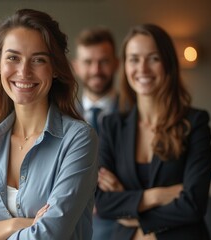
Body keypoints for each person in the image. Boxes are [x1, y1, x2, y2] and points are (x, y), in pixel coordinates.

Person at [0, 8, 98, 240]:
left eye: (38, 59)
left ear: (54, 69)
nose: (24, 71)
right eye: (13, 58)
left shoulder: (79, 139)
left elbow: (49, 236)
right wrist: (13, 225)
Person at [95, 23, 211, 240]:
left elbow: (194, 204)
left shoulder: (195, 122)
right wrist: (157, 195)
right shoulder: (112, 125)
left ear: (168, 63)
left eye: (154, 58)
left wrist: (131, 211)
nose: (143, 69)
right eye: (134, 59)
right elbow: (101, 203)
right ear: (125, 66)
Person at [73, 27, 119, 239]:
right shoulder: (60, 116)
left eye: (104, 61)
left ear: (117, 63)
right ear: (76, 66)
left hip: (120, 224)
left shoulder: (136, 113)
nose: (96, 69)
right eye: (88, 62)